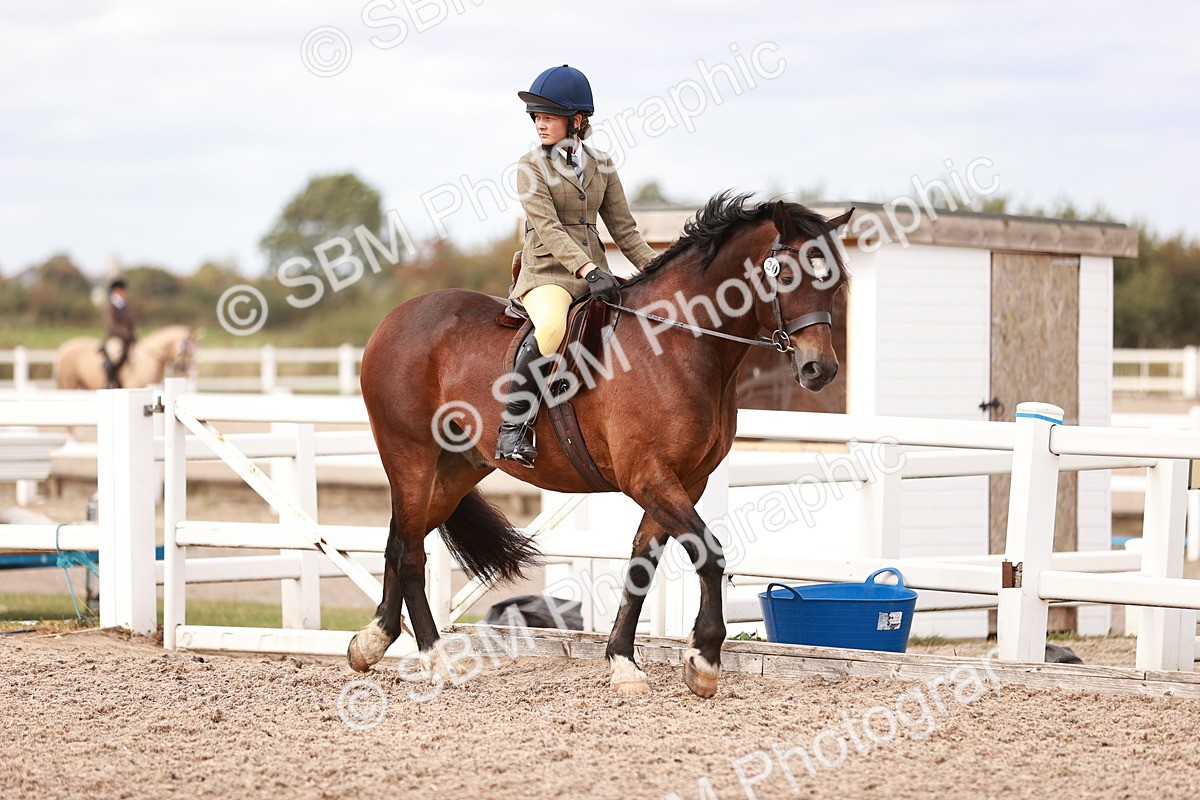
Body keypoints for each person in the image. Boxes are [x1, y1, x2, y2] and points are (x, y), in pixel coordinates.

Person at [496, 64, 657, 467]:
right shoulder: (530, 166)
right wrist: (589, 271)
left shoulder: (601, 164)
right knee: (552, 327)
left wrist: (661, 272)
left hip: (593, 274)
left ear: (577, 121)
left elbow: (625, 230)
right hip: (548, 274)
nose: (539, 123)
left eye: (548, 115)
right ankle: (512, 428)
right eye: (536, 115)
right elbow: (548, 229)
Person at [102, 278, 136, 388]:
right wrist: (126, 333)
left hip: (127, 338)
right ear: (117, 290)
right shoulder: (111, 306)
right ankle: (109, 381)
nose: (125, 292)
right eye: (123, 289)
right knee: (115, 354)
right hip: (115, 338)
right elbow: (112, 325)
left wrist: (133, 334)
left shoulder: (124, 305)